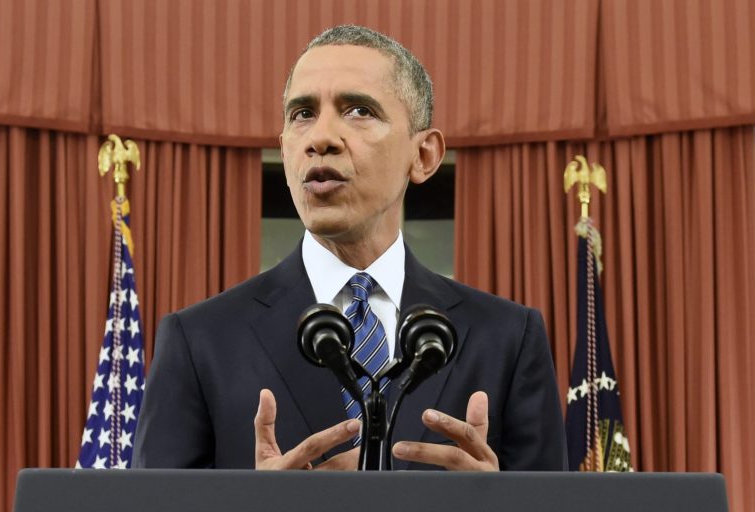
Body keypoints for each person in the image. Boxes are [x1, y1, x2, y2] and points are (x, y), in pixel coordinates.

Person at [133, 25, 567, 471]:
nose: (320, 138)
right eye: (302, 113)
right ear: (285, 153)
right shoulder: (199, 340)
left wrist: (503, 503)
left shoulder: (509, 338)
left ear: (423, 156)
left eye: (359, 110)